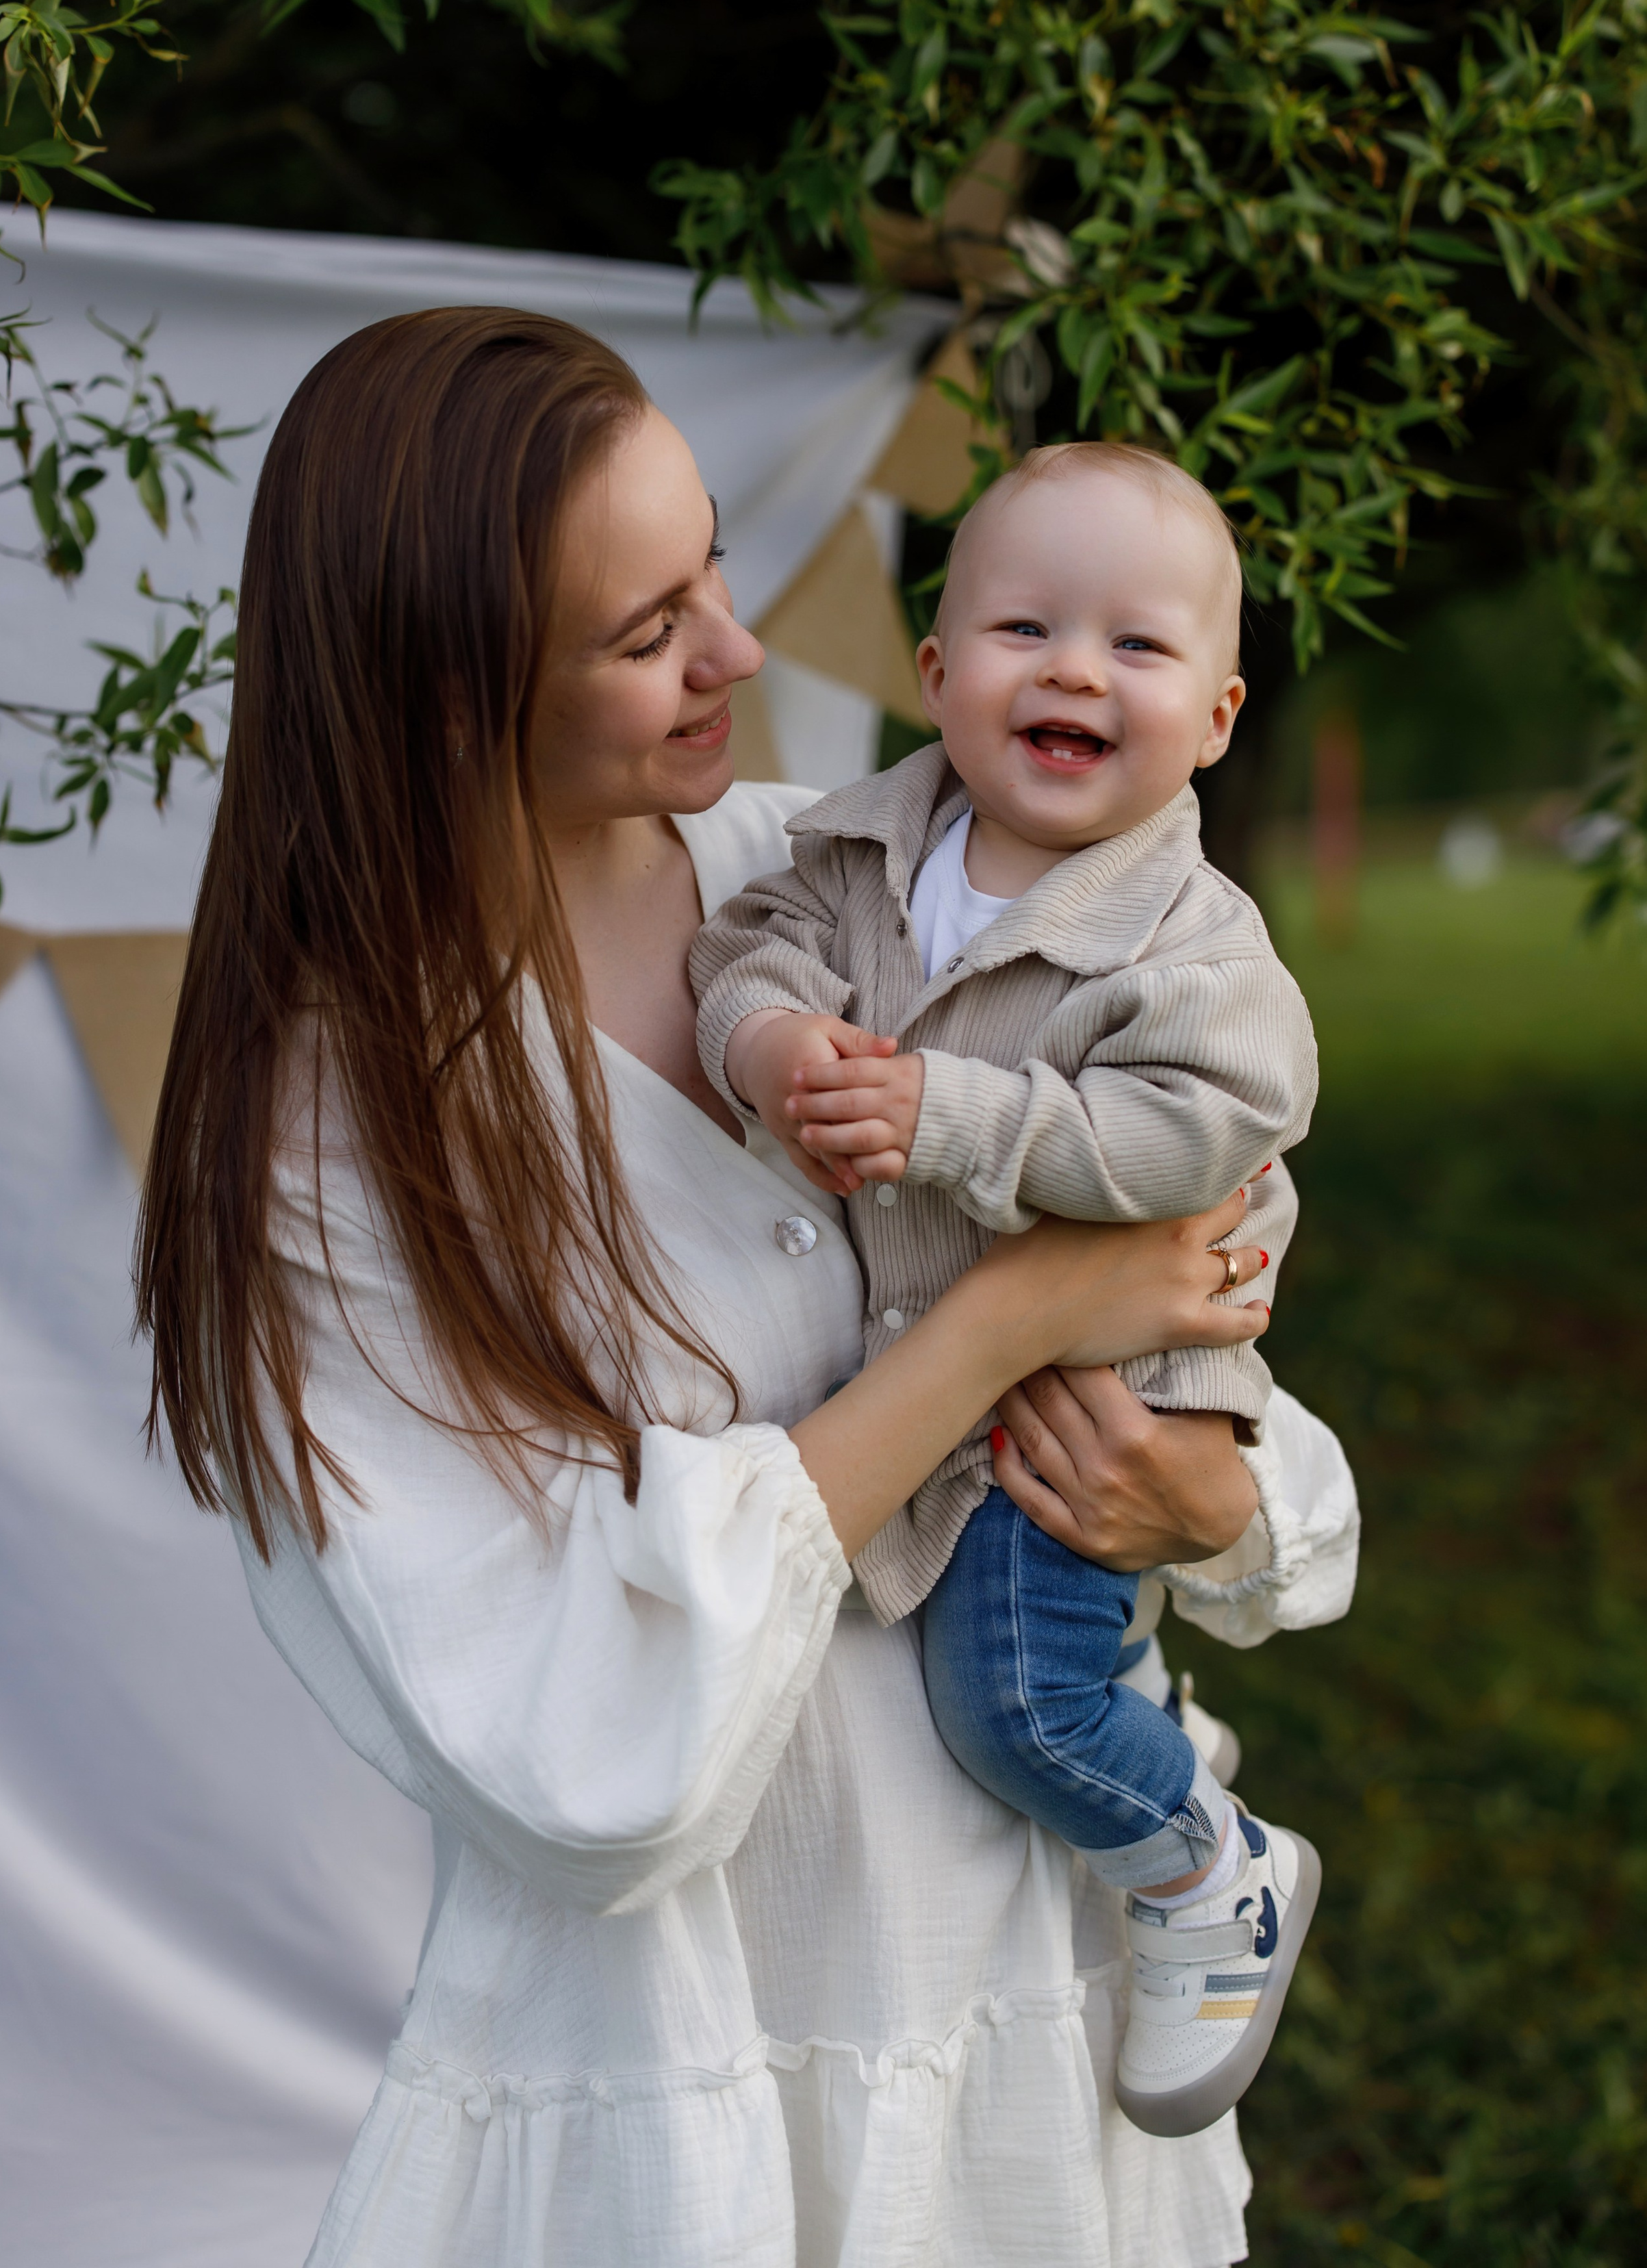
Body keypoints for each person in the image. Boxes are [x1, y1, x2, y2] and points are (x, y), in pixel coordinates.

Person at [137, 309, 1351, 2268]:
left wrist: (1222, 1502)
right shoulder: (336, 1132)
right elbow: (582, 1764)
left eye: (710, 560)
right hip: (697, 2088)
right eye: (646, 631)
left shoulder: (841, 874)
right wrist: (1005, 1328)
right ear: (451, 698)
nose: (742, 649)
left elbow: (1198, 1281)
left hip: (1018, 2019)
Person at [691, 442, 1320, 2137]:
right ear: (935, 672)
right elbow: (738, 946)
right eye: (1024, 626)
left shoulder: (1195, 944)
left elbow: (1196, 1136)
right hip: (949, 1371)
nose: (1069, 668)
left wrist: (944, 1113)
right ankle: (1156, 1806)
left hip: (1096, 1384)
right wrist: (769, 1046)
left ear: (1213, 716)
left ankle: (1208, 1862)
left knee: (1014, 1700)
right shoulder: (852, 852)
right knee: (1009, 1681)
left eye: (1135, 646)